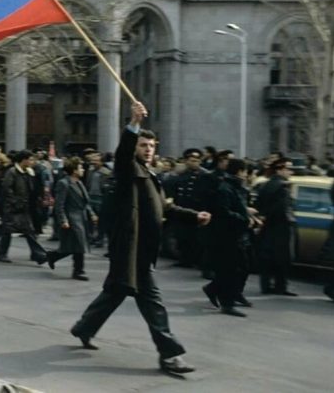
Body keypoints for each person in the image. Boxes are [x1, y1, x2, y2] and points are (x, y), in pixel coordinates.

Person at [70, 102, 210, 375]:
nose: (147, 149)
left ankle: (83, 328)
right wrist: (133, 123)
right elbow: (123, 153)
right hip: (131, 249)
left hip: (143, 248)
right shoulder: (128, 170)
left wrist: (195, 216)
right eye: (143, 145)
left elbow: (164, 208)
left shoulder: (150, 175)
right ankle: (169, 354)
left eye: (151, 146)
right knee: (152, 302)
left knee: (115, 292)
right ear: (135, 148)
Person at [203, 158, 253, 316]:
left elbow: (240, 207)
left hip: (239, 234)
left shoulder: (237, 188)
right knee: (229, 269)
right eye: (245, 172)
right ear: (239, 172)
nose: (246, 175)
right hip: (227, 236)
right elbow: (223, 213)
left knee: (242, 267)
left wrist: (250, 217)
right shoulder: (225, 188)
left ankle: (214, 289)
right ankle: (227, 303)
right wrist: (244, 219)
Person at [0, 150, 48, 264]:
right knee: (7, 230)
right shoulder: (12, 172)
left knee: (29, 231)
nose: (32, 162)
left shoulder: (29, 172)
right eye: (30, 159)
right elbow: (6, 189)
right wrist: (13, 202)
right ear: (24, 160)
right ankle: (1, 254)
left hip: (24, 206)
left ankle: (37, 254)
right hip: (12, 207)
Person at [47, 157, 97, 280]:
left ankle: (52, 256)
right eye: (80, 168)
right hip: (72, 218)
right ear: (74, 170)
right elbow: (59, 204)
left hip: (82, 218)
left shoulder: (79, 183)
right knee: (79, 245)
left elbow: (85, 202)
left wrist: (92, 214)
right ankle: (78, 271)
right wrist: (63, 219)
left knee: (73, 246)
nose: (83, 170)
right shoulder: (64, 183)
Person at [255, 157, 297, 296]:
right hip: (280, 226)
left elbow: (260, 204)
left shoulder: (266, 184)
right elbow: (281, 208)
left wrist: (264, 216)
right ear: (280, 169)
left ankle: (266, 285)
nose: (291, 172)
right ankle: (280, 286)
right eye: (289, 168)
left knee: (268, 257)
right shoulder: (282, 187)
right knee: (282, 257)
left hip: (268, 225)